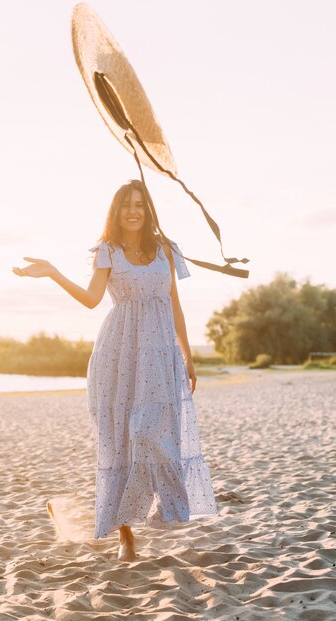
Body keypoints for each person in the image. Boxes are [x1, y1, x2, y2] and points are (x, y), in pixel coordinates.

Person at [12, 179, 217, 561]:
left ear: (149, 209)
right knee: (120, 440)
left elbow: (175, 305)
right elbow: (92, 300)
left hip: (158, 355)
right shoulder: (107, 252)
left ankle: (162, 506)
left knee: (152, 432)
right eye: (127, 205)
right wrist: (54, 272)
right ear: (116, 212)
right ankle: (125, 534)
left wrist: (188, 355)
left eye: (140, 204)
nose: (134, 211)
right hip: (118, 356)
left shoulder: (166, 251)